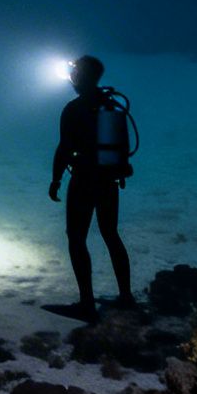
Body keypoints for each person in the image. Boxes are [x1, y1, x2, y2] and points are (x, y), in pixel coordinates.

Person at [48, 54, 135, 321]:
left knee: (76, 238)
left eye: (75, 72)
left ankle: (87, 303)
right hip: (109, 182)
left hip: (84, 180)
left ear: (80, 77)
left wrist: (56, 179)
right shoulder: (112, 107)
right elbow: (123, 148)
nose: (72, 76)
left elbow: (64, 148)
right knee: (111, 234)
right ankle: (126, 297)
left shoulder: (74, 108)